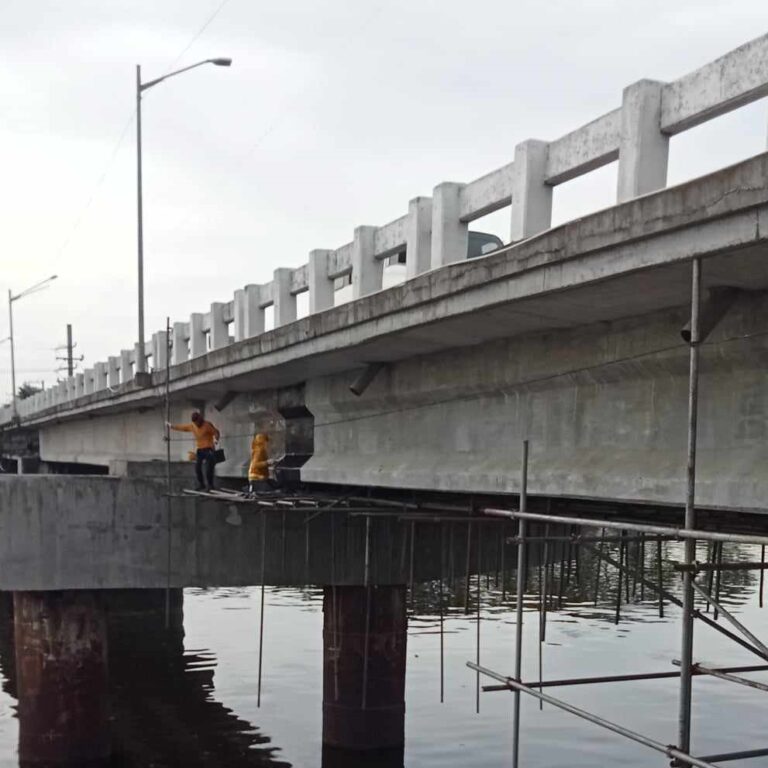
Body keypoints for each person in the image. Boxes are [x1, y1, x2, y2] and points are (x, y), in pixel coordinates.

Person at [167, 411, 220, 491]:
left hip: (209, 449)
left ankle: (210, 485)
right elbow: (183, 428)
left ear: (200, 419)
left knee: (209, 469)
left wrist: (216, 439)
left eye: (197, 422)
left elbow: (216, 432)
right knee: (197, 468)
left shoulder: (207, 425)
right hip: (200, 450)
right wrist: (171, 426)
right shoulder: (193, 426)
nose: (197, 424)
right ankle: (201, 484)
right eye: (195, 423)